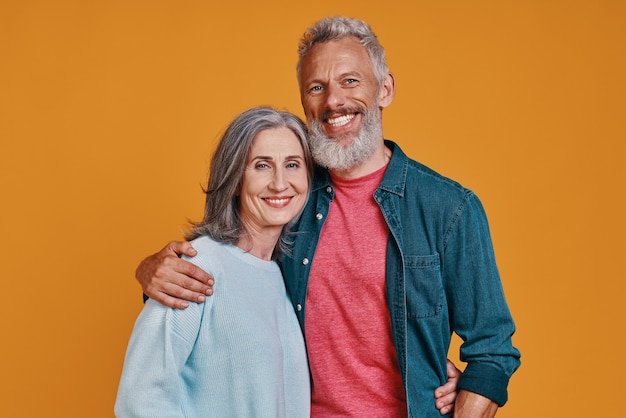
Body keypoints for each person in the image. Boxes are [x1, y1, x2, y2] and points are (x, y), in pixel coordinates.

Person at [136, 16, 521, 417]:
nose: (333, 101)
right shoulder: (288, 195)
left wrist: (468, 395)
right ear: (305, 101)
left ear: (384, 89)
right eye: (316, 87)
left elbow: (492, 351)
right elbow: (223, 271)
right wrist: (150, 272)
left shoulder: (448, 208)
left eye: (350, 81)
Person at [115, 106, 314, 417]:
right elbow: (140, 400)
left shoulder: (287, 275)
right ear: (234, 179)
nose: (279, 182)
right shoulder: (195, 267)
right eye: (261, 165)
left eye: (292, 164)